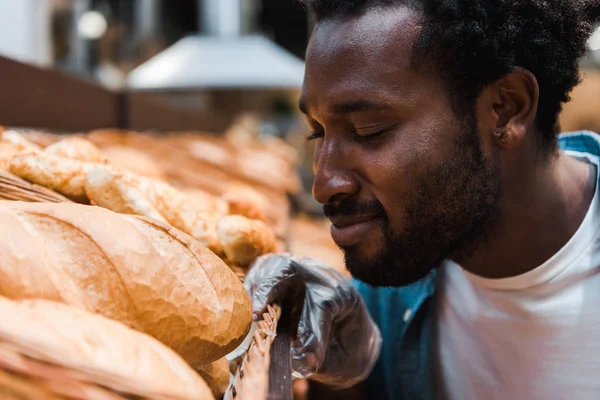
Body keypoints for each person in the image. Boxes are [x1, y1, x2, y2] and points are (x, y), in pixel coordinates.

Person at [245, 1, 600, 399]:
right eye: (318, 133)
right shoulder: (393, 282)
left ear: (506, 108)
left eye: (369, 129)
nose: (324, 185)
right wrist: (348, 378)